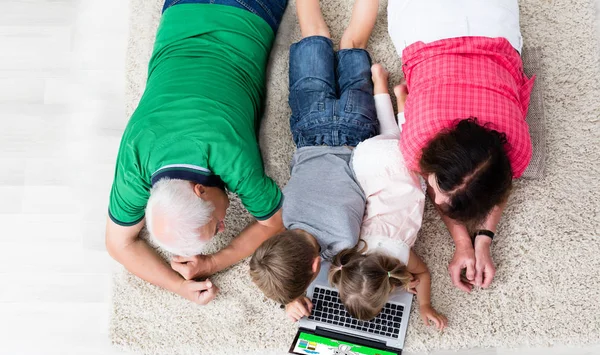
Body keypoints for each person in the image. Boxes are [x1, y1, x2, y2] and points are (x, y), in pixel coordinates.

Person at [105, 0, 289, 305]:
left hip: (250, 8)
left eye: (215, 222)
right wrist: (177, 285)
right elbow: (117, 245)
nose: (223, 226)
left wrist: (214, 263)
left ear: (200, 190)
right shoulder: (135, 154)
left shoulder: (231, 155)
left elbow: (275, 222)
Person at [387, 0, 536, 292]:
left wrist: (479, 240)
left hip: (491, 19)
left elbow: (501, 183)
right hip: (425, 24)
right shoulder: (416, 142)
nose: (437, 202)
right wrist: (467, 241)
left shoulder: (519, 148)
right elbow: (500, 184)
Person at [286, 64, 447, 330]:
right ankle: (380, 82)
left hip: (401, 171)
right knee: (388, 132)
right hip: (367, 160)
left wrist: (425, 305)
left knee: (408, 140)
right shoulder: (351, 248)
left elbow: (424, 274)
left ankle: (398, 95)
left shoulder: (400, 256)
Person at [249, 0, 379, 307]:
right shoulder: (287, 213)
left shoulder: (344, 243)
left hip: (355, 130)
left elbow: (339, 271)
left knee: (353, 43)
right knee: (314, 34)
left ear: (314, 266)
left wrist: (294, 296)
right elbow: (288, 250)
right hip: (311, 128)